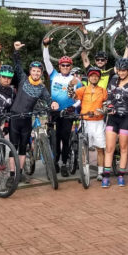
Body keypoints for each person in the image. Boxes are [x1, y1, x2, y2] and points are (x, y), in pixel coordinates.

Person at [9, 41, 59, 182]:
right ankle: (12, 175)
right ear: (30, 71)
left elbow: (48, 99)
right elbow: (17, 65)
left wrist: (53, 103)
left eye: (38, 71)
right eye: (34, 70)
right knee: (13, 147)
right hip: (15, 117)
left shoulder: (41, 88)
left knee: (23, 147)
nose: (36, 73)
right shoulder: (23, 79)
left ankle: (19, 173)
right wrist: (16, 51)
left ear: (41, 73)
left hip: (26, 120)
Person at [43, 37, 82, 177]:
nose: (65, 67)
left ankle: (64, 163)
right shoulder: (54, 75)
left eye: (67, 65)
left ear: (70, 67)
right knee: (54, 139)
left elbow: (80, 98)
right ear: (59, 66)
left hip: (67, 113)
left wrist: (73, 107)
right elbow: (46, 60)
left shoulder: (76, 81)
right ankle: (55, 162)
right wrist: (46, 46)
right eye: (63, 65)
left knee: (65, 139)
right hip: (54, 112)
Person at [102, 58, 128, 188]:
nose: (121, 73)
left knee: (124, 148)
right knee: (109, 148)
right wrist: (109, 106)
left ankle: (121, 176)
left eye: (124, 70)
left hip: (126, 118)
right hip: (113, 118)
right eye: (119, 70)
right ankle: (106, 177)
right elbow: (108, 97)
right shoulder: (113, 81)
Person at [71, 67, 107, 181]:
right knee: (84, 149)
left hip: (99, 123)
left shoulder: (103, 90)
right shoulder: (83, 89)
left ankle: (100, 172)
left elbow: (106, 105)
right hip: (85, 122)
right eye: (92, 76)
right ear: (88, 77)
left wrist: (101, 111)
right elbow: (71, 96)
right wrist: (71, 85)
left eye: (96, 76)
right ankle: (85, 173)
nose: (94, 77)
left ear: (99, 78)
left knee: (100, 148)